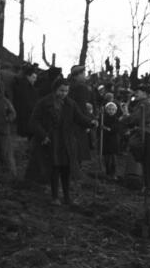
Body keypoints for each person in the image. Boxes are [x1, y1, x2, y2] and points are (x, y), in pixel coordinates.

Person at [25, 78, 97, 206]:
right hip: (51, 140)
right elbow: (34, 121)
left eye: (66, 91)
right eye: (61, 90)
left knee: (66, 169)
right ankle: (55, 197)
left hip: (66, 141)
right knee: (54, 168)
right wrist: (43, 136)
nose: (64, 93)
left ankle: (67, 197)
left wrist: (91, 122)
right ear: (55, 89)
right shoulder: (44, 103)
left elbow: (79, 118)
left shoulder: (71, 104)